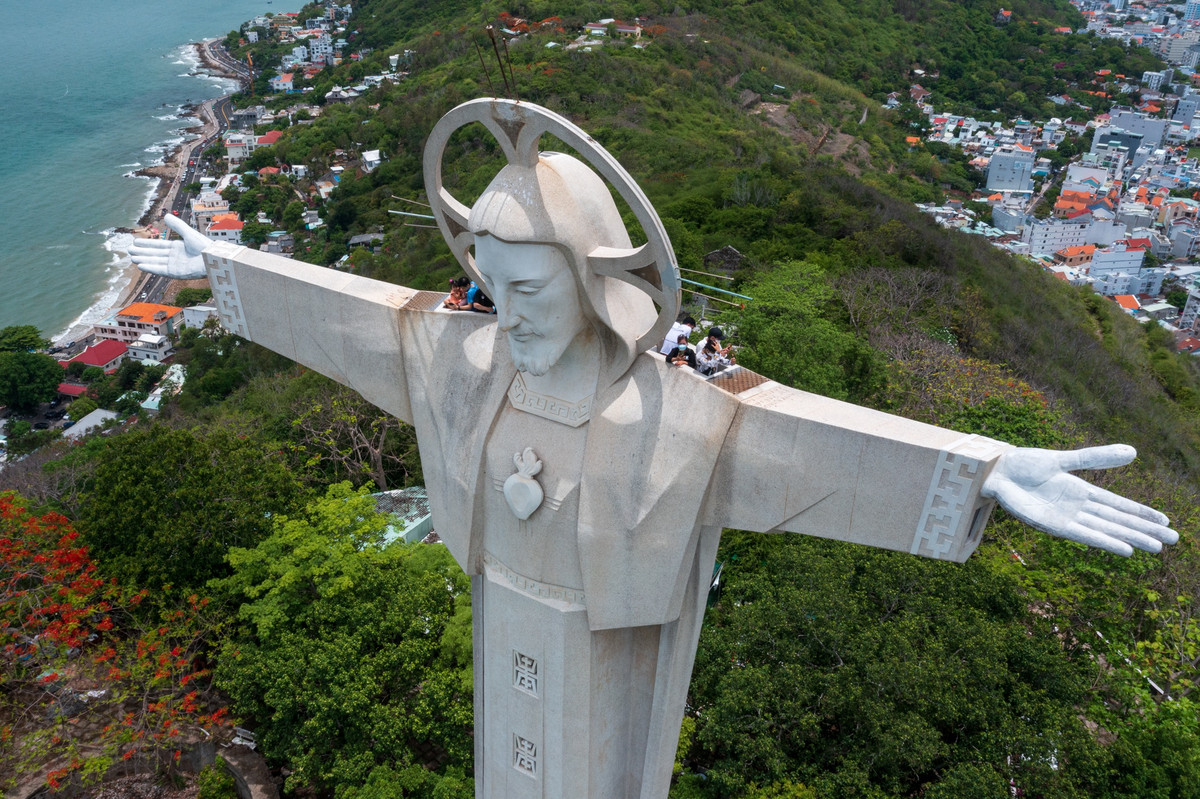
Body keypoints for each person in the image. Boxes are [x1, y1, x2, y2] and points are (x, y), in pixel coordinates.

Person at [129, 98, 1176, 799]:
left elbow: (813, 438)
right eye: (493, 286)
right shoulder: (462, 358)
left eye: (532, 290)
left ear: (594, 282)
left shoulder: (677, 409)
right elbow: (352, 314)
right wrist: (226, 269)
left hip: (611, 643)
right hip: (506, 621)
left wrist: (984, 465)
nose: (507, 310)